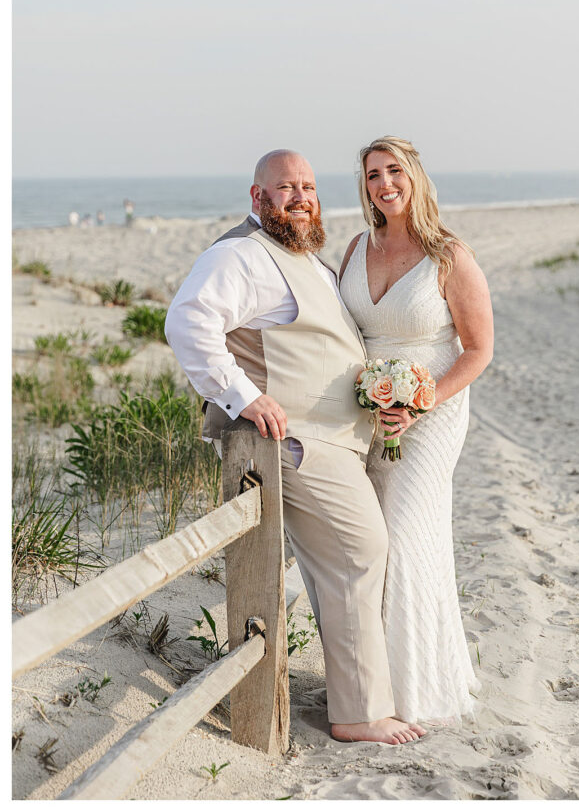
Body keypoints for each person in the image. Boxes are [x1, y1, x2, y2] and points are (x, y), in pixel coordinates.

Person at [165, 150, 426, 745]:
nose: (301, 196)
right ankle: (357, 714)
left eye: (308, 186)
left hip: (337, 438)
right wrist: (241, 397)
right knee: (361, 552)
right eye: (286, 188)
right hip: (295, 442)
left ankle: (358, 694)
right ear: (258, 198)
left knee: (349, 561)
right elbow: (187, 322)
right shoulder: (239, 255)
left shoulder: (306, 258)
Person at [339, 136, 494, 725]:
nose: (385, 184)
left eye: (394, 171)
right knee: (370, 543)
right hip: (367, 416)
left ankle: (416, 693)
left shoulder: (449, 254)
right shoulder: (356, 247)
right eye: (374, 174)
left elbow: (478, 350)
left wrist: (422, 402)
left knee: (404, 538)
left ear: (415, 177)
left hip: (432, 417)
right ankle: (371, 688)